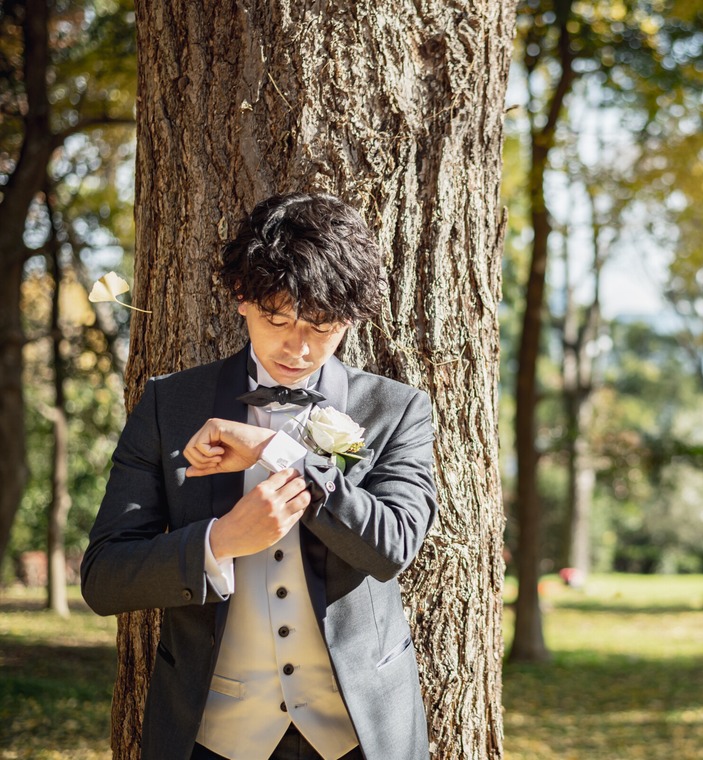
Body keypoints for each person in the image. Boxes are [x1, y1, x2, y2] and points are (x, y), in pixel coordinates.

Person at [81, 193, 438, 760]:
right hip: (212, 735)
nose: (298, 348)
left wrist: (277, 449)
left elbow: (391, 546)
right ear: (242, 299)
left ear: (350, 319)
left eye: (323, 328)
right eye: (278, 320)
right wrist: (219, 541)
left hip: (358, 735)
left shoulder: (395, 410)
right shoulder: (169, 406)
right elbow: (104, 579)